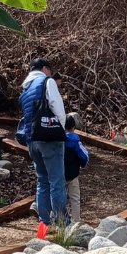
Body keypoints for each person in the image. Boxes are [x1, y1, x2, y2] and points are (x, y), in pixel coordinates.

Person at [17, 57, 67, 226]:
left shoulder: (25, 88)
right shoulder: (47, 81)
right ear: (45, 69)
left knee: (42, 180)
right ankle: (62, 223)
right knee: (57, 181)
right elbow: (57, 108)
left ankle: (44, 221)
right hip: (49, 138)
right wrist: (60, 131)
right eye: (50, 71)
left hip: (32, 140)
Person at [63, 113, 89, 224]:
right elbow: (84, 156)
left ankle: (59, 220)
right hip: (73, 174)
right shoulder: (75, 141)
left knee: (59, 197)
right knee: (74, 198)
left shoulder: (58, 139)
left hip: (59, 173)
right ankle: (76, 222)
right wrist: (83, 163)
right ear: (73, 128)